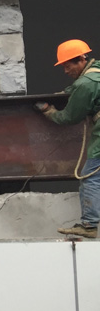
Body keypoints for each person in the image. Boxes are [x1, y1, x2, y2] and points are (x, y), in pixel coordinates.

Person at [35, 38, 100, 239]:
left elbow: (69, 117)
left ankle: (89, 225)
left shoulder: (86, 84)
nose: (65, 71)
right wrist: (67, 92)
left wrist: (49, 111)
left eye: (68, 65)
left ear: (81, 59)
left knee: (90, 177)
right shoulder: (95, 72)